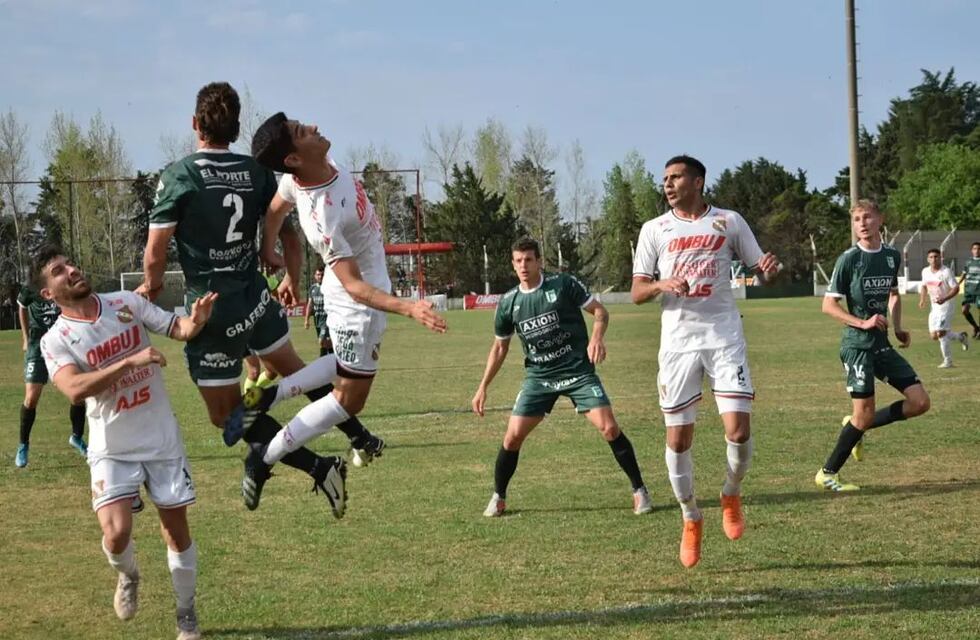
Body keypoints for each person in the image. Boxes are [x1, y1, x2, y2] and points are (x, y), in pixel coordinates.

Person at [139, 82, 380, 515]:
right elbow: (288, 235)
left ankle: (318, 466)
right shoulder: (256, 172)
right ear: (236, 128)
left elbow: (156, 253)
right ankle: (358, 434)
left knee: (227, 416)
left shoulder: (179, 176)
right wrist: (288, 274)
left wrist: (151, 288)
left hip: (212, 312)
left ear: (195, 124)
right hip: (256, 300)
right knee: (297, 372)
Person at [246, 112, 446, 506]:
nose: (314, 127)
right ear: (293, 158)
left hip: (350, 292)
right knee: (349, 401)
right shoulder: (322, 215)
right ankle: (264, 457)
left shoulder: (310, 169)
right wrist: (409, 308)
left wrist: (271, 253)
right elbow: (355, 286)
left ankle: (272, 396)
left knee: (341, 365)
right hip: (358, 306)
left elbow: (275, 209)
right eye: (302, 132)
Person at [35, 247, 215, 640]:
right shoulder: (55, 339)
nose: (72, 270)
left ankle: (186, 613)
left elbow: (178, 328)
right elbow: (73, 389)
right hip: (111, 447)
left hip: (160, 438)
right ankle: (129, 575)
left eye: (71, 263)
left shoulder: (126, 302)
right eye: (59, 271)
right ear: (48, 293)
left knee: (176, 531)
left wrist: (197, 320)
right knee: (116, 534)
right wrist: (130, 362)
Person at [630, 155, 779, 568]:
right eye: (665, 179)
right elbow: (638, 291)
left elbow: (762, 271)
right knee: (678, 440)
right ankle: (691, 516)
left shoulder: (729, 221)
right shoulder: (654, 229)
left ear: (697, 182)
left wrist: (770, 270)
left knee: (738, 431)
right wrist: (661, 283)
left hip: (724, 338)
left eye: (676, 177)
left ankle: (731, 491)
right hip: (678, 345)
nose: (668, 184)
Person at [472, 238, 651, 518]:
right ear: (513, 264)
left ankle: (639, 490)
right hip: (539, 377)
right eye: (518, 261)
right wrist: (483, 387)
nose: (523, 266)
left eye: (528, 260)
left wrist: (596, 338)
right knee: (512, 437)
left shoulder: (563, 285)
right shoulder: (508, 302)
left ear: (539, 261)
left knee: (608, 427)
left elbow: (600, 312)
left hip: (577, 371)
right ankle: (499, 496)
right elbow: (499, 348)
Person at [815, 199, 931, 491]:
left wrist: (899, 327)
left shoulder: (891, 256)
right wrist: (862, 322)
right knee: (863, 412)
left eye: (867, 217)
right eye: (856, 220)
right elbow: (828, 305)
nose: (862, 224)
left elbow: (893, 294)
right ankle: (827, 473)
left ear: (880, 219)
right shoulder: (849, 259)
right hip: (857, 346)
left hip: (882, 344)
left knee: (920, 402)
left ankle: (856, 425)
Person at [15, 283, 87, 467]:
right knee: (31, 397)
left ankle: (77, 437)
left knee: (77, 393)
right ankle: (23, 445)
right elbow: (22, 306)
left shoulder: (63, 283)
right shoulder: (31, 286)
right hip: (37, 345)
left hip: (63, 343)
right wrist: (25, 338)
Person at [919, 248, 968, 368]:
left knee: (941, 333)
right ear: (928, 259)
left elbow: (955, 288)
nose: (934, 259)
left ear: (940, 258)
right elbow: (924, 286)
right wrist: (922, 299)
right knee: (934, 336)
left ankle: (948, 361)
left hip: (946, 306)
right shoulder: (925, 271)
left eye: (936, 256)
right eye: (931, 257)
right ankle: (961, 337)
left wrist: (945, 298)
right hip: (934, 307)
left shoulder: (946, 272)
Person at [303, 265, 332, 357]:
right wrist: (306, 320)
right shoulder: (313, 288)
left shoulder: (329, 288)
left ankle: (323, 359)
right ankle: (331, 358)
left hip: (327, 321)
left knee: (321, 341)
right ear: (315, 276)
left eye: (322, 275)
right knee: (327, 344)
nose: (320, 277)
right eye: (318, 275)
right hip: (317, 320)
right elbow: (310, 305)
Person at [958, 241, 980, 339]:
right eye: (975, 249)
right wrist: (957, 284)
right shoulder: (968, 262)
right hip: (969, 290)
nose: (977, 251)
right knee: (964, 310)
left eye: (979, 249)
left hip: (979, 291)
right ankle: (976, 327)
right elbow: (964, 274)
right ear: (971, 250)